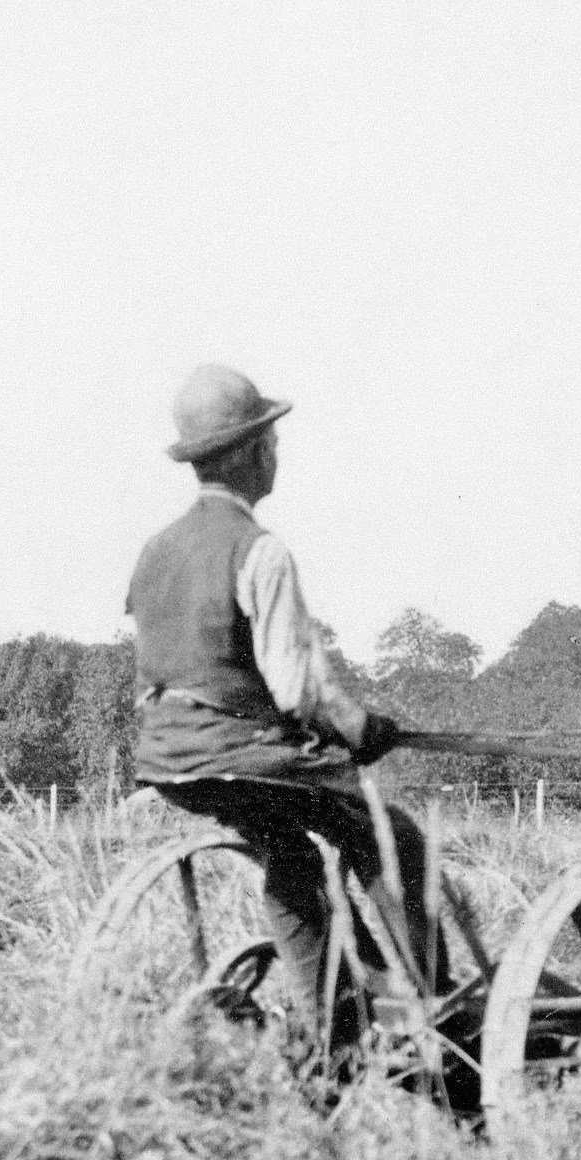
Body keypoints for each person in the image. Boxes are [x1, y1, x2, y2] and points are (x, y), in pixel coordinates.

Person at [125, 364, 433, 1042]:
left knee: (289, 855)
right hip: (242, 752)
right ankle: (428, 1008)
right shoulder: (258, 550)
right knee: (392, 835)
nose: (276, 453)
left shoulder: (155, 550)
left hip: (168, 755)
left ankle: (334, 1020)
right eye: (271, 441)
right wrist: (361, 728)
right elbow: (296, 687)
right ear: (251, 452)